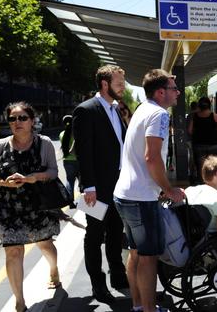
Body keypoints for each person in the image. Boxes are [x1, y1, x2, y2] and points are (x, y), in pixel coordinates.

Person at [113, 69, 186, 312]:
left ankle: (138, 305)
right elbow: (152, 158)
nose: (178, 93)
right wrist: (169, 189)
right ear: (161, 91)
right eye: (174, 88)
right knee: (148, 258)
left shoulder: (142, 110)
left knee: (135, 253)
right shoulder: (159, 115)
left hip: (124, 194)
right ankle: (149, 310)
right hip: (142, 198)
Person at [0, 102, 61, 312]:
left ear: (32, 121)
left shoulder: (45, 143)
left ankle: (53, 268)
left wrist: (32, 178)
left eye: (22, 118)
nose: (17, 122)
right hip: (8, 207)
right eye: (12, 119)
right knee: (13, 252)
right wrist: (2, 183)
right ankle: (20, 301)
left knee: (45, 244)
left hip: (38, 205)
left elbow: (53, 172)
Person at [72, 64, 129, 304]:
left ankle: (118, 275)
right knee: (94, 236)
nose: (123, 88)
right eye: (119, 84)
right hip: (95, 189)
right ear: (105, 85)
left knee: (116, 232)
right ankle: (98, 284)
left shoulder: (116, 110)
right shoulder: (86, 110)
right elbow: (83, 153)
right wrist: (89, 187)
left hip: (117, 186)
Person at [187, 96, 217, 184]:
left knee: (201, 166)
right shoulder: (215, 116)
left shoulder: (195, 116)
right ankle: (212, 183)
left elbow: (190, 131)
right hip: (213, 144)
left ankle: (202, 183)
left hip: (199, 145)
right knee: (213, 165)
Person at [59, 115, 78, 198]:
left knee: (69, 180)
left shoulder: (61, 134)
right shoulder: (76, 132)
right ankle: (85, 202)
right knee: (83, 182)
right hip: (78, 160)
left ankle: (70, 201)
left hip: (67, 160)